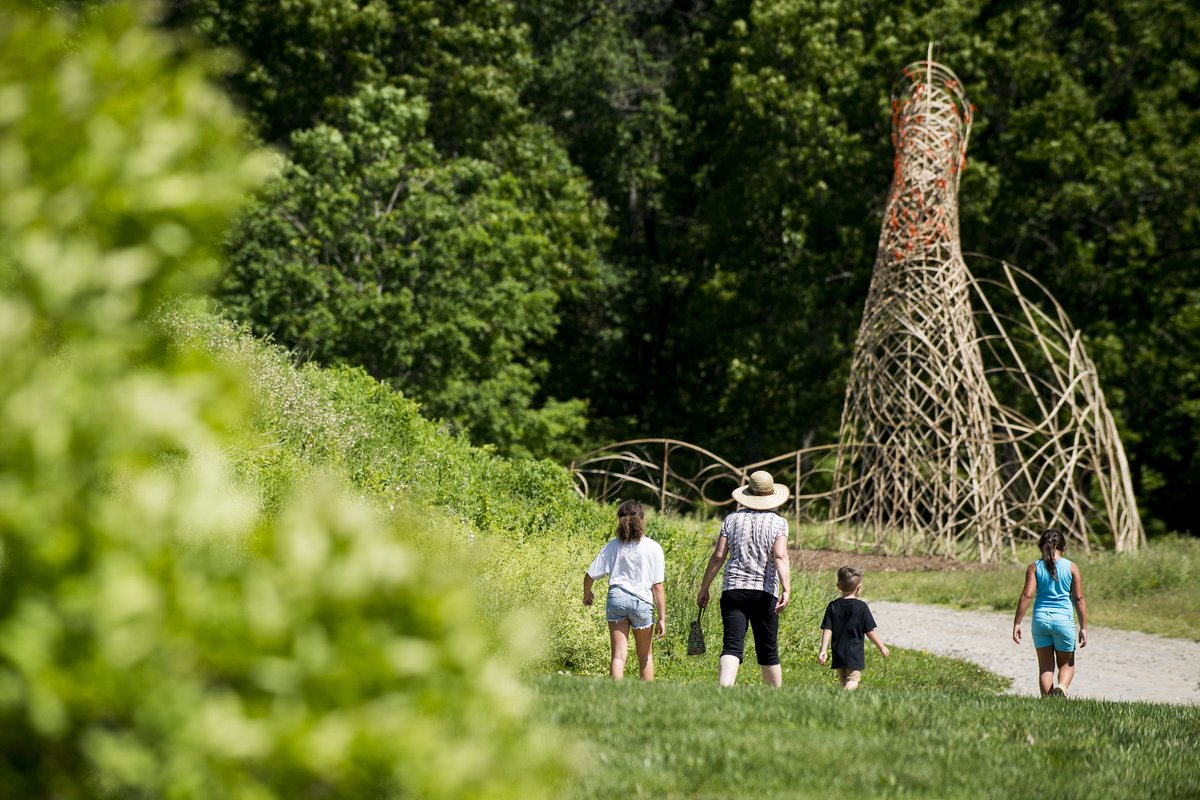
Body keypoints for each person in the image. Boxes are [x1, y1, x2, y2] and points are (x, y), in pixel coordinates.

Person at [696, 470, 792, 687]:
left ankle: (724, 688)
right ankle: (776, 696)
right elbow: (780, 555)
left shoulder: (731, 520)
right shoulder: (779, 523)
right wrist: (786, 588)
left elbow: (719, 555)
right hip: (764, 592)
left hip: (733, 589)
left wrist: (705, 587)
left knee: (731, 644)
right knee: (768, 648)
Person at [583, 500, 666, 681]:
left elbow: (590, 575)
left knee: (618, 656)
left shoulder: (612, 546)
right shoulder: (654, 548)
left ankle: (614, 695)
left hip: (617, 597)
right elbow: (657, 586)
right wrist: (661, 618)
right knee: (645, 656)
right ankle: (646, 697)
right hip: (642, 602)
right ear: (643, 519)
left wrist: (587, 593)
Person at [1012, 528, 1088, 697]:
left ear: (1041, 547)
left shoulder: (1034, 567)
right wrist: (1083, 626)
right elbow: (1079, 598)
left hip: (1040, 621)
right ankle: (1061, 688)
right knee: (1066, 665)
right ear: (1064, 547)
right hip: (1063, 621)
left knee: (1046, 668)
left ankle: (1048, 703)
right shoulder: (1072, 568)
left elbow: (1027, 595)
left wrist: (1017, 623)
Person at [818, 565, 890, 690]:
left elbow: (827, 629)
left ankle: (842, 704)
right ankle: (840, 698)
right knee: (853, 681)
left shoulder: (833, 606)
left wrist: (823, 649)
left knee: (844, 682)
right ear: (859, 587)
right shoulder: (861, 607)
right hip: (853, 653)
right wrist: (881, 646)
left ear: (838, 586)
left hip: (838, 652)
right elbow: (869, 631)